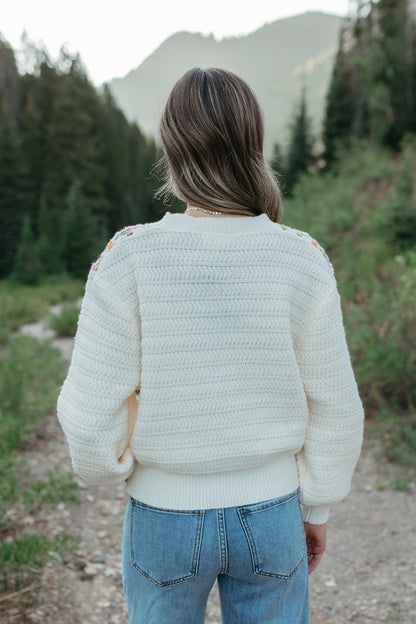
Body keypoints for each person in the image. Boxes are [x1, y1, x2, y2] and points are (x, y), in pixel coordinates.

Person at [57, 67, 364, 624]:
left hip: (162, 517)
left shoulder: (129, 256)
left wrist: (114, 470)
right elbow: (336, 402)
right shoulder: (302, 257)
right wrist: (316, 505)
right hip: (274, 516)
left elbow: (89, 412)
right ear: (253, 145)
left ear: (172, 151)